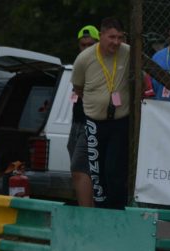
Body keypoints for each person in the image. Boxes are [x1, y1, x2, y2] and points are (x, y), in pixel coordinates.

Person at [71, 17, 131, 209]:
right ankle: (100, 211)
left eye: (119, 37)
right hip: (95, 123)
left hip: (120, 121)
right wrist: (96, 103)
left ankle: (117, 210)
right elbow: (78, 88)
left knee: (114, 169)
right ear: (102, 35)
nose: (116, 42)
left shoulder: (128, 52)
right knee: (96, 173)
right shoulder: (84, 58)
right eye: (111, 37)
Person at [69, 25, 99, 207]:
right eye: (83, 45)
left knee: (80, 167)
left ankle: (89, 213)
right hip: (77, 123)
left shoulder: (101, 64)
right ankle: (86, 209)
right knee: (78, 170)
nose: (86, 48)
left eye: (90, 44)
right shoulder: (79, 64)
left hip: (92, 123)